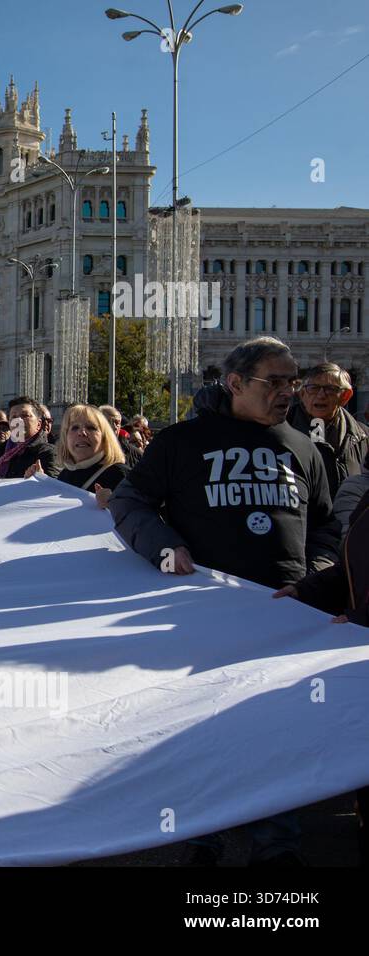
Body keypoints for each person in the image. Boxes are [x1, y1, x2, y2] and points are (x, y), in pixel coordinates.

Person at [109, 336, 339, 867]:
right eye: (275, 382)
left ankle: (276, 844)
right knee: (203, 724)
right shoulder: (183, 442)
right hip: (202, 617)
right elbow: (129, 502)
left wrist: (319, 575)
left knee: (274, 728)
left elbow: (327, 525)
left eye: (293, 382)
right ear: (236, 383)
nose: (288, 393)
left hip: (287, 614)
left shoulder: (307, 448)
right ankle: (200, 836)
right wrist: (165, 549)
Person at [287, 362, 367, 498]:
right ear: (302, 394)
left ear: (345, 396)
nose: (321, 395)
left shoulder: (363, 436)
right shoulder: (279, 431)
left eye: (331, 389)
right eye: (313, 388)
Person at [35, 404, 129, 509]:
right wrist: (40, 483)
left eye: (91, 427)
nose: (81, 432)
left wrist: (117, 506)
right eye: (74, 428)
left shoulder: (121, 475)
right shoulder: (64, 475)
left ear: (104, 437)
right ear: (65, 438)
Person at [0, 396, 59, 481]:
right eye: (14, 417)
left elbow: (53, 488)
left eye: (25, 415)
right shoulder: (2, 451)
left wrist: (41, 480)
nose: (19, 420)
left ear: (39, 424)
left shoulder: (49, 453)